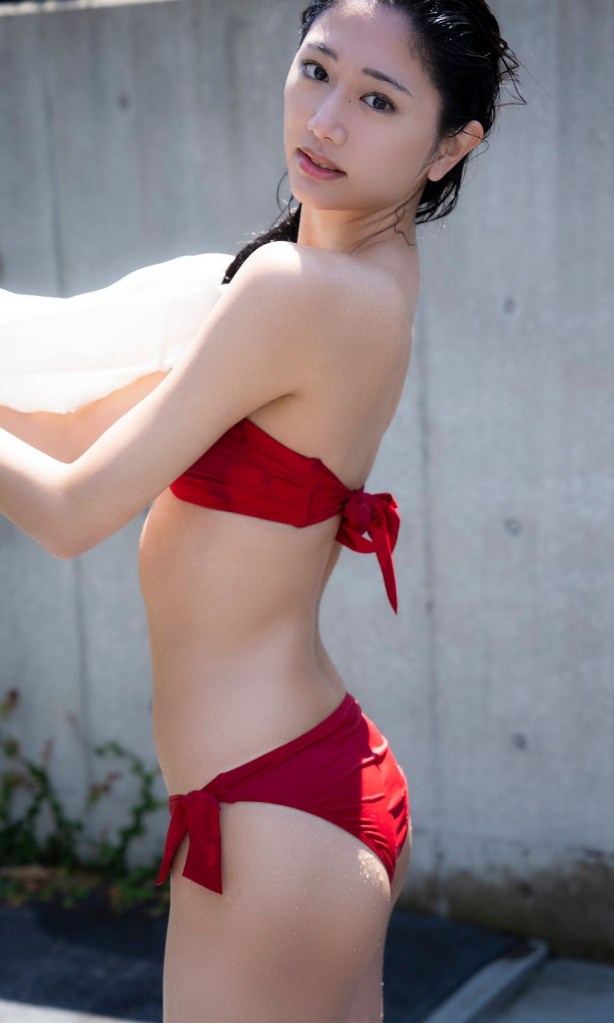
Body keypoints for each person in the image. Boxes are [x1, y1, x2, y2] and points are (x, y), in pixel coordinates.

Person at [0, 1, 522, 1019]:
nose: (324, 119)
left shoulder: (297, 286)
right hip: (292, 791)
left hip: (274, 813)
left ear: (450, 144)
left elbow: (70, 511)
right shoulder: (339, 275)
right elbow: (72, 426)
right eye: (316, 71)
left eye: (377, 99)